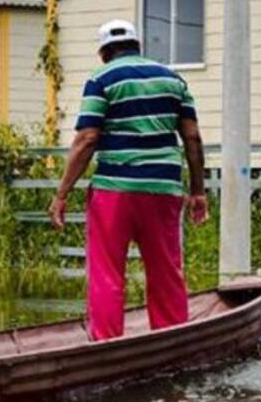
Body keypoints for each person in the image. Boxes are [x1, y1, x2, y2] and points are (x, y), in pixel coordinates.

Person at [48, 19, 208, 341]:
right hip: (163, 190)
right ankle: (171, 342)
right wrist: (198, 191)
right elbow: (192, 138)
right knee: (166, 272)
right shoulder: (174, 80)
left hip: (114, 191)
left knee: (106, 274)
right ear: (139, 46)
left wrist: (62, 193)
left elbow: (87, 138)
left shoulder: (101, 79)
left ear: (104, 52)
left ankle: (107, 344)